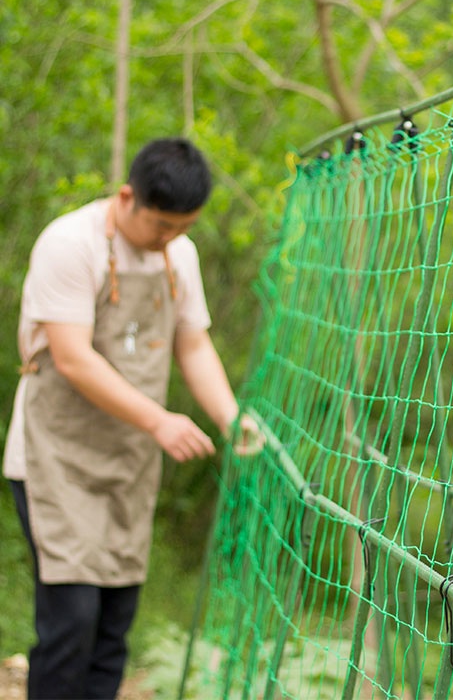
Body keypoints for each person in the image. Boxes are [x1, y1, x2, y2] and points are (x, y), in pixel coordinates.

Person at [2, 137, 258, 700]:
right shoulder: (70, 244)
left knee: (114, 625)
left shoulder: (180, 255)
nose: (171, 238)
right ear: (127, 197)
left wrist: (228, 415)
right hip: (56, 459)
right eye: (162, 225)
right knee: (72, 621)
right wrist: (160, 422)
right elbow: (72, 357)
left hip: (128, 458)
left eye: (183, 226)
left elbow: (193, 345)